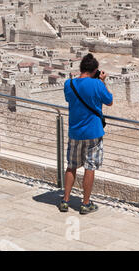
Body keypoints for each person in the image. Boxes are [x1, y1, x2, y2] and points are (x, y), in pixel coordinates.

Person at [58, 53, 113, 214]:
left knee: (71, 166)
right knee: (90, 167)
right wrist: (102, 81)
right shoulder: (97, 85)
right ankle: (85, 203)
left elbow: (70, 100)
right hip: (93, 132)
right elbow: (109, 101)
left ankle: (65, 200)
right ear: (95, 70)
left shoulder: (69, 84)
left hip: (75, 131)